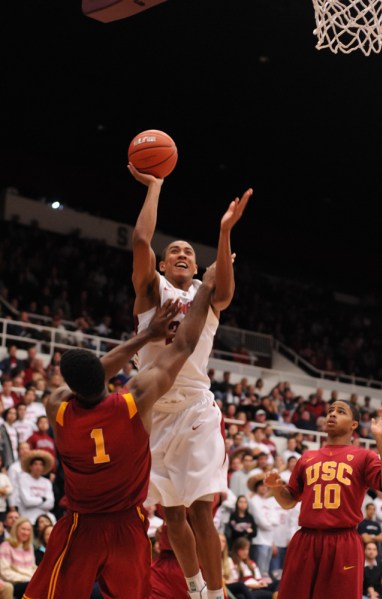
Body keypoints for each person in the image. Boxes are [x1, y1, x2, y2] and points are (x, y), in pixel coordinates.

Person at [23, 265, 217, 599]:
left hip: (81, 525)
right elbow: (184, 346)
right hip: (127, 527)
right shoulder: (132, 402)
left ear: (71, 388)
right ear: (105, 378)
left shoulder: (59, 410)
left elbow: (88, 378)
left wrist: (144, 336)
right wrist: (206, 289)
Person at [129, 162, 252, 599]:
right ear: (163, 263)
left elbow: (225, 285)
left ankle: (216, 595)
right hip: (154, 410)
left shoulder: (210, 295)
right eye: (175, 251)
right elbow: (141, 239)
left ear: (198, 266)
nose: (182, 254)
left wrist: (224, 232)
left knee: (201, 512)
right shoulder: (151, 290)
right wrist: (156, 186)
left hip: (197, 407)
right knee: (172, 514)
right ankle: (196, 587)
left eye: (189, 253)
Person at [264, 400, 382, 599]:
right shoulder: (307, 457)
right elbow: (289, 501)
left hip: (343, 541)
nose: (332, 414)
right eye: (330, 411)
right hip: (305, 539)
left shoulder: (364, 456)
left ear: (354, 425)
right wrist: (276, 489)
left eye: (340, 411)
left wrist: (380, 439)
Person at [0, 516, 37, 599]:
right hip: (14, 584)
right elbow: (5, 573)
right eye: (23, 529)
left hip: (30, 581)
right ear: (16, 529)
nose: (26, 532)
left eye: (28, 530)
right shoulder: (6, 546)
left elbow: (33, 567)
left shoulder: (29, 547)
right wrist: (28, 578)